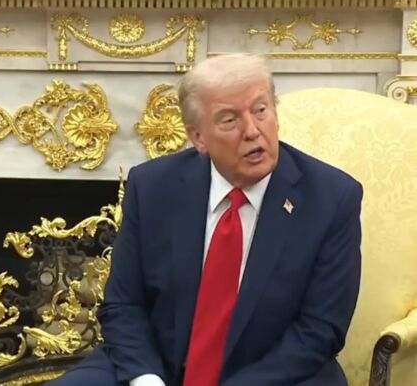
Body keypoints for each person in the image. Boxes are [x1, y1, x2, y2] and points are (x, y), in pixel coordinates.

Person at [48, 53, 362, 386]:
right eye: (229, 120)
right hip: (160, 365)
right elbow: (123, 304)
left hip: (276, 375)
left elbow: (319, 331)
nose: (252, 131)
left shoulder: (331, 198)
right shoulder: (152, 187)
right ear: (198, 137)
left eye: (261, 110)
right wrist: (147, 379)